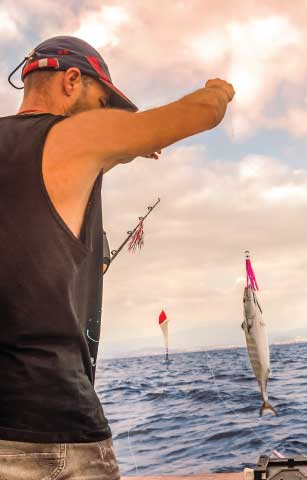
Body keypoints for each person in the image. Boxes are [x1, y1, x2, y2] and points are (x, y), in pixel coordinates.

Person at [0, 35, 234, 479]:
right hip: (52, 429)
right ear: (72, 80)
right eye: (102, 100)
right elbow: (202, 112)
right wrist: (220, 88)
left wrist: (123, 149)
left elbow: (53, 170)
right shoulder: (67, 136)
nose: (105, 115)